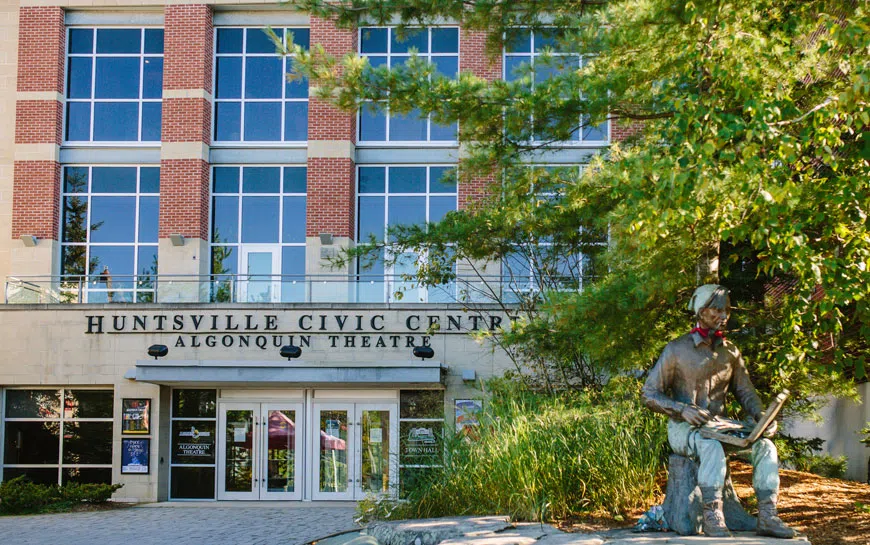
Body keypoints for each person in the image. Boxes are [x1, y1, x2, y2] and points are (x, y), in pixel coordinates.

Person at [642, 284, 796, 539]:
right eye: (716, 309)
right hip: (684, 429)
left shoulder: (731, 352)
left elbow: (746, 394)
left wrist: (762, 418)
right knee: (709, 444)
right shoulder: (676, 350)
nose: (723, 315)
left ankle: (768, 515)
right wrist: (681, 409)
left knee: (766, 446)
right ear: (701, 311)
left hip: (722, 427)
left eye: (726, 310)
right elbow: (648, 394)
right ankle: (712, 513)